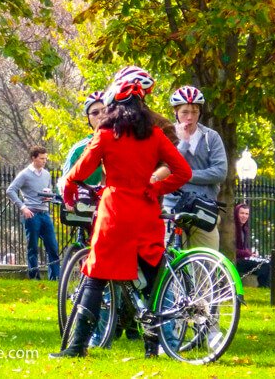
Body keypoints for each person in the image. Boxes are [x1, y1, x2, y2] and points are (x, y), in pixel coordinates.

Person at [51, 77, 192, 359]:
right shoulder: (155, 135)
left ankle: (78, 345)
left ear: (113, 105)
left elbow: (80, 170)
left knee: (95, 277)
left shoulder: (105, 134)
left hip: (114, 213)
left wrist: (69, 185)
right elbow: (183, 172)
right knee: (153, 281)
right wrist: (155, 187)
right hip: (145, 212)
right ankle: (153, 348)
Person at [159, 86, 227, 250]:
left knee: (207, 264)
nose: (190, 117)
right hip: (171, 207)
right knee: (167, 259)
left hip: (203, 208)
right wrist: (183, 143)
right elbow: (166, 169)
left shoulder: (211, 137)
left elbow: (220, 171)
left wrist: (185, 175)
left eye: (195, 112)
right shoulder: (166, 136)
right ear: (175, 112)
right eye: (185, 112)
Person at [6, 146, 61, 280]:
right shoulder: (25, 174)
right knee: (33, 247)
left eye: (45, 159)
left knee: (52, 246)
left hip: (44, 213)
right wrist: (23, 207)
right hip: (31, 214)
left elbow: (48, 191)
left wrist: (50, 197)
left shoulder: (47, 174)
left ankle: (55, 277)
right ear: (33, 158)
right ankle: (34, 276)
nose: (44, 161)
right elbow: (10, 190)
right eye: (41, 158)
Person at [234, 204, 271, 288]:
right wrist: (246, 253)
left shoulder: (245, 229)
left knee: (268, 262)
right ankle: (263, 287)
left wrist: (251, 254)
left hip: (243, 259)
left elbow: (244, 249)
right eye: (242, 213)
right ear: (236, 214)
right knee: (264, 264)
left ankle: (266, 287)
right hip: (235, 261)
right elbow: (231, 250)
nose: (244, 216)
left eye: (246, 214)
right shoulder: (232, 229)